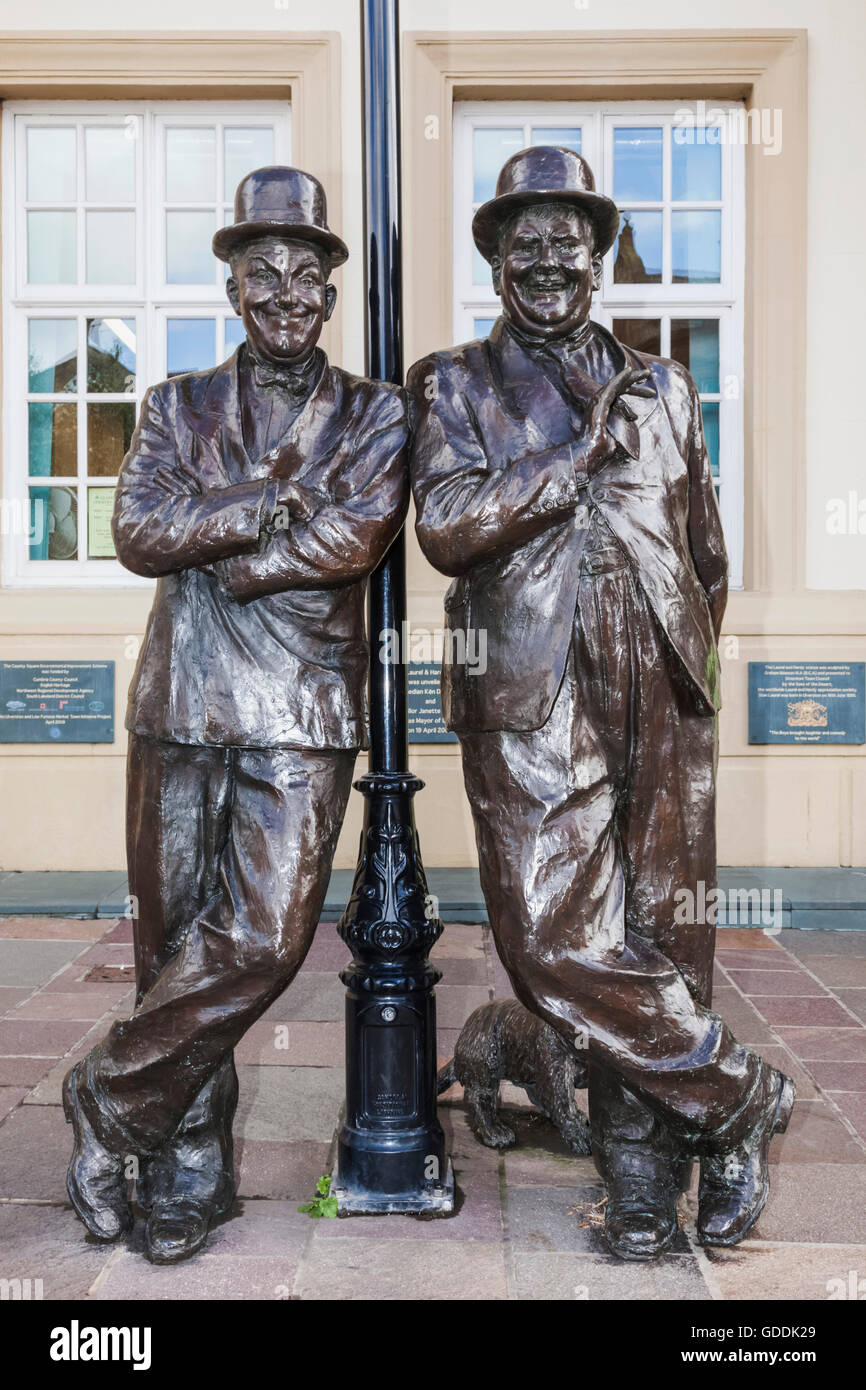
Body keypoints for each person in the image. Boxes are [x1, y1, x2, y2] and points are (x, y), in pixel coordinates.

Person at [407, 145, 793, 1260]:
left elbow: (705, 549)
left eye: (566, 242)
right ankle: (734, 1095)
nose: (545, 261)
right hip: (529, 678)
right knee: (547, 936)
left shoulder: (665, 382)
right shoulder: (452, 382)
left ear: (599, 256)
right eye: (521, 242)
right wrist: (571, 459)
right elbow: (445, 524)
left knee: (661, 930)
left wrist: (683, 656)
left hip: (657, 677)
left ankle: (640, 1185)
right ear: (492, 260)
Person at [63, 167, 408, 1264]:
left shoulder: (373, 412)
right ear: (233, 285)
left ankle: (107, 1096)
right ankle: (189, 1174)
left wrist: (227, 552)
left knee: (260, 938)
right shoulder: (174, 403)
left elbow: (353, 541)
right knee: (173, 952)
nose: (289, 291)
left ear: (331, 292)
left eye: (309, 273)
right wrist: (259, 505)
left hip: (301, 711)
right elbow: (136, 534)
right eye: (266, 271)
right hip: (179, 704)